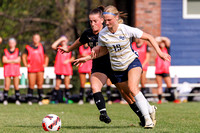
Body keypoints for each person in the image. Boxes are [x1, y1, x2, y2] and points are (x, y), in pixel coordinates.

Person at [74, 5, 171, 128]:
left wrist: (160, 52)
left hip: (132, 62)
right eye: (106, 20)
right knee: (127, 93)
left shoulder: (125, 29)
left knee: (132, 87)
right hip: (117, 68)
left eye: (110, 20)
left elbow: (149, 37)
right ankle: (150, 109)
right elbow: (103, 51)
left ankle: (148, 120)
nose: (107, 23)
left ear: (117, 17)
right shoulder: (103, 34)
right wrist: (87, 58)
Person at [58, 6, 147, 127]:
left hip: (114, 66)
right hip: (99, 67)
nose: (92, 24)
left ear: (102, 20)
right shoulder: (88, 33)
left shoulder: (107, 31)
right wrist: (68, 49)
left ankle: (143, 117)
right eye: (90, 21)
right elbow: (80, 40)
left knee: (127, 94)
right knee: (95, 87)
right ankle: (103, 113)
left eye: (95, 21)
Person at [22, 34, 49, 105]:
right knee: (31, 84)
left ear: (40, 39)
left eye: (38, 38)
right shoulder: (28, 47)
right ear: (33, 39)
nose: (36, 39)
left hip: (40, 68)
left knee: (40, 84)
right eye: (35, 38)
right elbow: (23, 56)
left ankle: (40, 100)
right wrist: (25, 64)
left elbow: (46, 56)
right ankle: (30, 100)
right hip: (31, 69)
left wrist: (45, 64)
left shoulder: (42, 47)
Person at [51, 36, 75, 104]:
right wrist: (60, 39)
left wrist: (68, 61)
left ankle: (67, 99)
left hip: (67, 68)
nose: (63, 41)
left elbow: (73, 58)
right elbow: (53, 46)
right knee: (57, 85)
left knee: (66, 84)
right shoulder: (58, 48)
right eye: (62, 40)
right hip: (59, 67)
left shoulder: (70, 48)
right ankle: (56, 99)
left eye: (64, 40)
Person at [2, 38, 21, 105]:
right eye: (10, 42)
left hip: (15, 70)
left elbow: (18, 60)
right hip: (8, 70)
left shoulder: (18, 51)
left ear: (15, 43)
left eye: (13, 43)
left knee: (16, 85)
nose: (11, 44)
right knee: (7, 85)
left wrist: (9, 60)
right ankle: (5, 99)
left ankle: (17, 99)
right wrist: (13, 60)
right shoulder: (5, 51)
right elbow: (4, 60)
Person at [155, 36, 172, 104]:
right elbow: (155, 41)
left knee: (169, 85)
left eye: (163, 43)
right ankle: (159, 100)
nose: (162, 44)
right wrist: (159, 40)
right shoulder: (158, 50)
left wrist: (162, 38)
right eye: (161, 43)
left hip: (165, 70)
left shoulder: (167, 49)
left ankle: (173, 98)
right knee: (159, 86)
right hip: (158, 70)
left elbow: (168, 41)